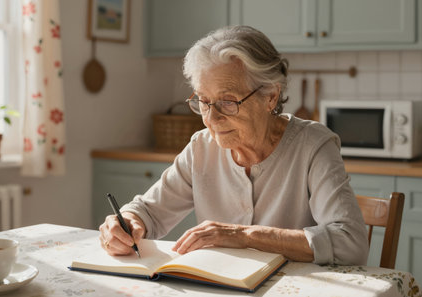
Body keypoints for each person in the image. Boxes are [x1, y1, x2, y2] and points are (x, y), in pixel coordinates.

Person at [99, 25, 369, 265]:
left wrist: (244, 236)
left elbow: (350, 243)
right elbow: (147, 211)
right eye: (204, 101)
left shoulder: (314, 145)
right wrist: (125, 223)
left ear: (271, 96)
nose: (211, 118)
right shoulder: (201, 147)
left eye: (228, 101)